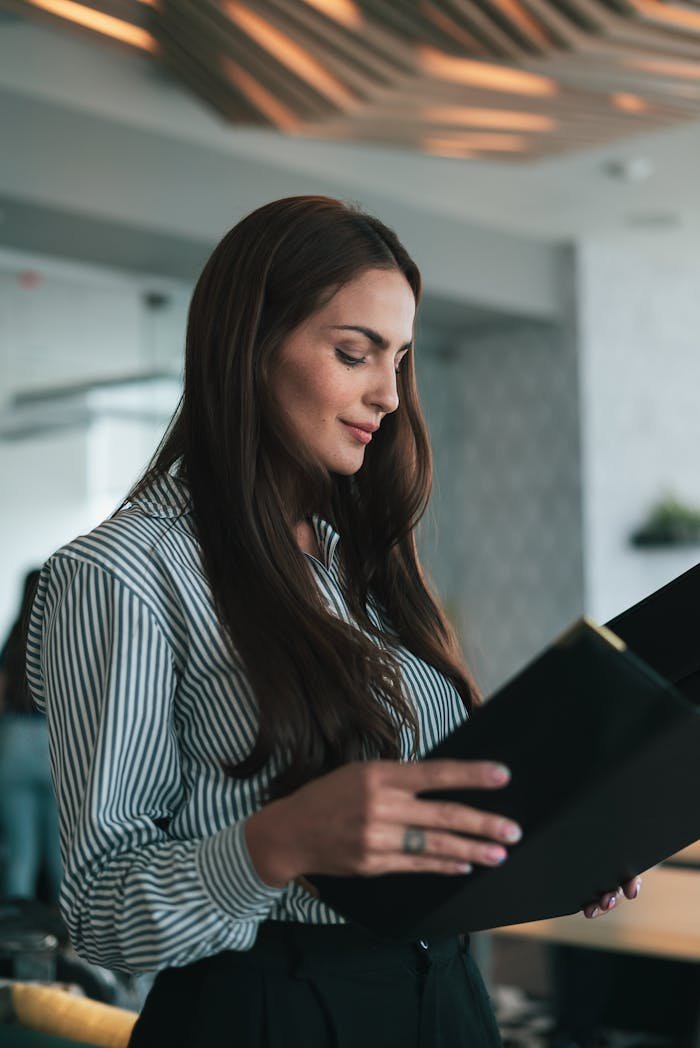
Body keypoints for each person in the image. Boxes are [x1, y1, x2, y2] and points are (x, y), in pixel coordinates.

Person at [25, 197, 639, 1047]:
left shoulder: (360, 561)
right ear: (249, 345)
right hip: (269, 1011)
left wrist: (537, 849)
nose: (388, 394)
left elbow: (408, 826)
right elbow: (101, 914)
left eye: (401, 359)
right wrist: (273, 844)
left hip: (446, 996)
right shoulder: (122, 573)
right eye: (354, 353)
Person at [0, 568, 61, 901]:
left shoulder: (12, 638)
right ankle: (66, 939)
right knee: (60, 853)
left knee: (20, 853)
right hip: (53, 742)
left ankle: (17, 941)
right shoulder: (60, 635)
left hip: (14, 741)